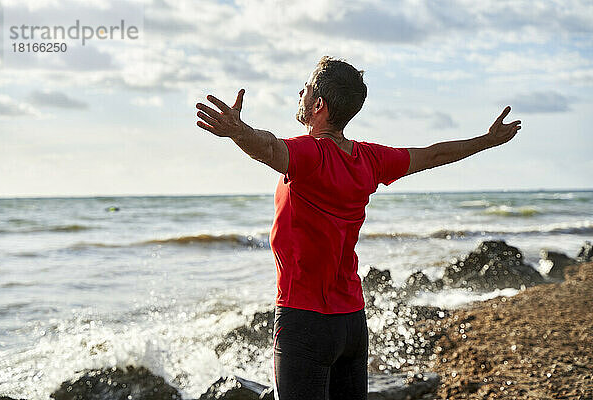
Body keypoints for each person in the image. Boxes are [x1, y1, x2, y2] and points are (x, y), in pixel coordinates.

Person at [195, 56, 521, 400]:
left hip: (304, 321)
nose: (300, 93)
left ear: (318, 104)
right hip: (351, 321)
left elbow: (269, 147)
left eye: (305, 89)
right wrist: (486, 141)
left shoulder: (310, 154)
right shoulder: (370, 159)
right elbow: (433, 154)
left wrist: (237, 131)